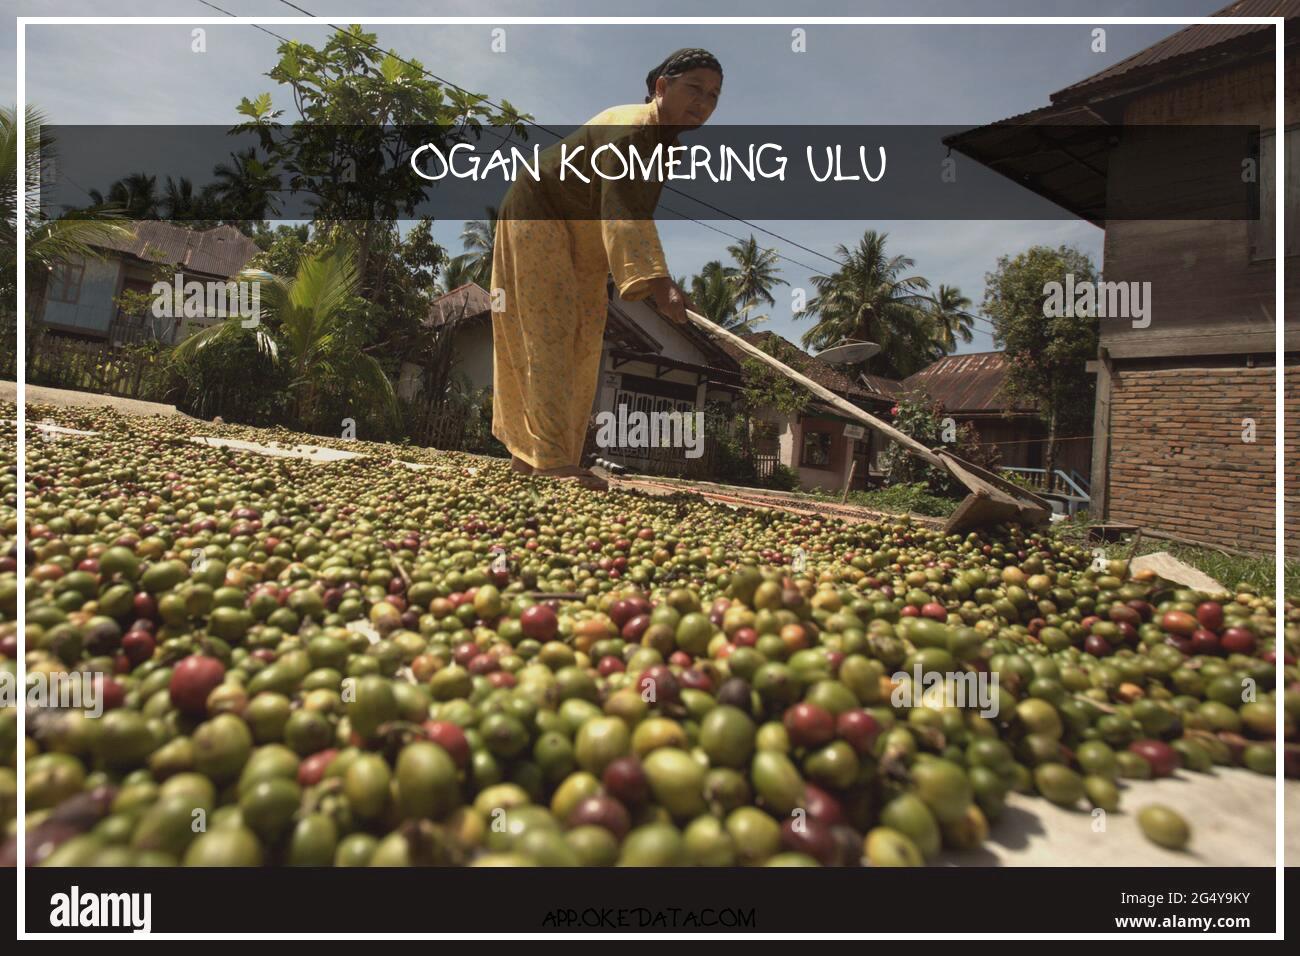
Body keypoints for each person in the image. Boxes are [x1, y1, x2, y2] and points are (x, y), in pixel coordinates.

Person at [489, 48, 723, 489]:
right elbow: (625, 210)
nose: (703, 103)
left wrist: (652, 277)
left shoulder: (662, 146)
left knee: (584, 338)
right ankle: (552, 461)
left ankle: (535, 456)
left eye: (713, 96)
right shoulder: (633, 127)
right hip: (538, 214)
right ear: (662, 87)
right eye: (694, 89)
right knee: (550, 332)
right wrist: (659, 282)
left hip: (581, 236)